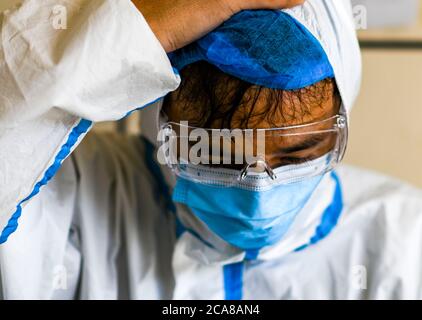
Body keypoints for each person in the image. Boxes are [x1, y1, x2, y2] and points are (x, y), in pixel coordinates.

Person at [0, 0, 422, 301]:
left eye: (297, 155)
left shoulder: (402, 245)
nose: (259, 190)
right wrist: (130, 29)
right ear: (160, 117)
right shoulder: (71, 198)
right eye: (216, 155)